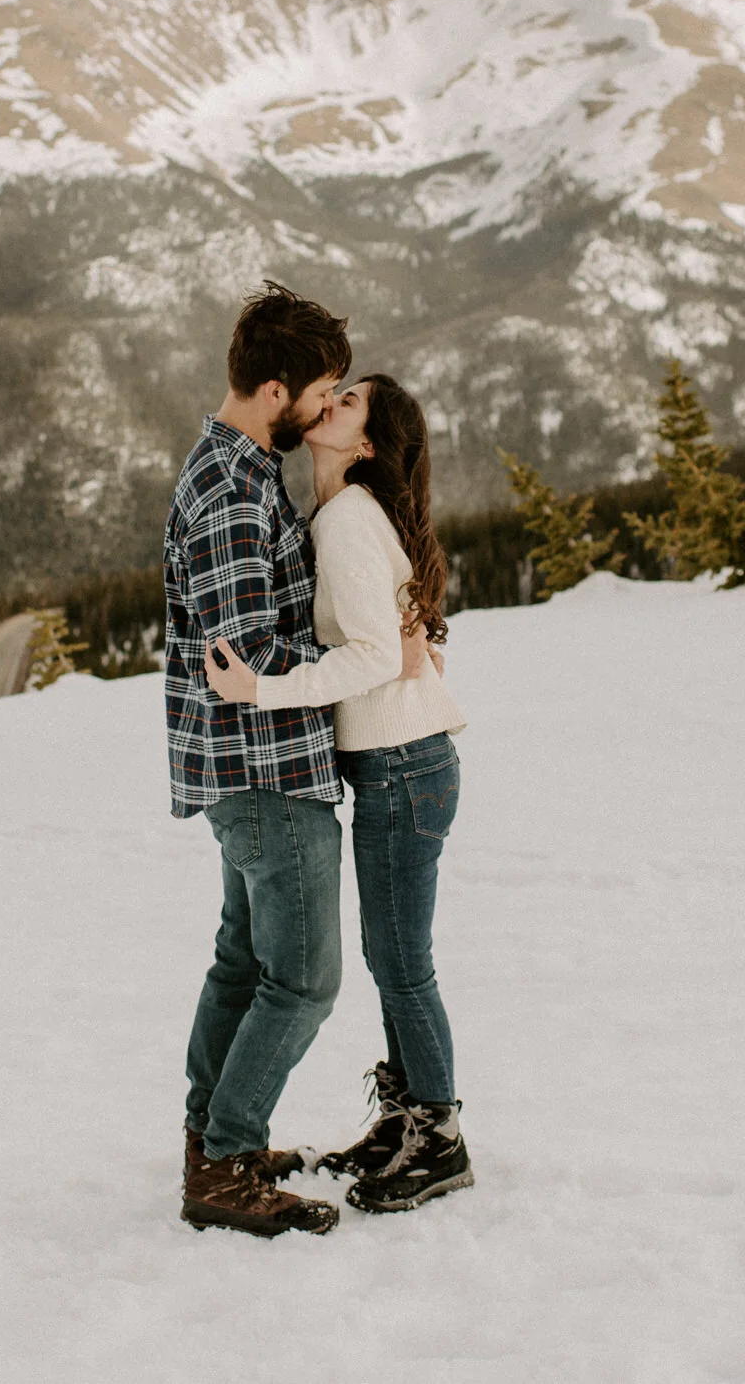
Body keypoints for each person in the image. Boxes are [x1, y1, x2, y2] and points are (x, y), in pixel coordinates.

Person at [206, 371, 473, 1214]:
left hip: (401, 764)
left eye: (349, 401)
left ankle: (438, 1137)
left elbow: (373, 656)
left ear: (364, 445)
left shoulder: (351, 519)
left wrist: (262, 691)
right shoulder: (339, 516)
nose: (331, 403)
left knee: (401, 963)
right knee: (390, 958)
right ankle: (406, 1122)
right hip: (400, 762)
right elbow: (393, 641)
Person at [166, 281, 355, 1238]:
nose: (330, 408)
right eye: (324, 392)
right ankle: (229, 1160)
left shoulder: (226, 468)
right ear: (277, 392)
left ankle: (213, 1139)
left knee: (243, 964)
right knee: (306, 978)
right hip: (267, 770)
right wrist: (363, 661)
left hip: (242, 773)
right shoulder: (237, 493)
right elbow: (248, 650)